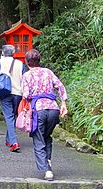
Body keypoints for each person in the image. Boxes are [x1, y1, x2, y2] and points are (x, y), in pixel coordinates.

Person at [20, 48, 68, 181]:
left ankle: (47, 170)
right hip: (53, 109)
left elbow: (25, 95)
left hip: (38, 110)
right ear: (39, 60)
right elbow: (60, 86)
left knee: (38, 138)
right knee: (46, 135)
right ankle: (48, 160)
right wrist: (64, 104)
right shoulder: (48, 72)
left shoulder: (27, 76)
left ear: (27, 62)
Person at [0, 44, 27, 152]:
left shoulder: (0, 62)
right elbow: (24, 79)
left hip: (5, 92)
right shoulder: (20, 64)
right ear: (13, 53)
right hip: (18, 93)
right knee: (13, 116)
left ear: (3, 53)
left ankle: (14, 142)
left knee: (9, 117)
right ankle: (9, 139)